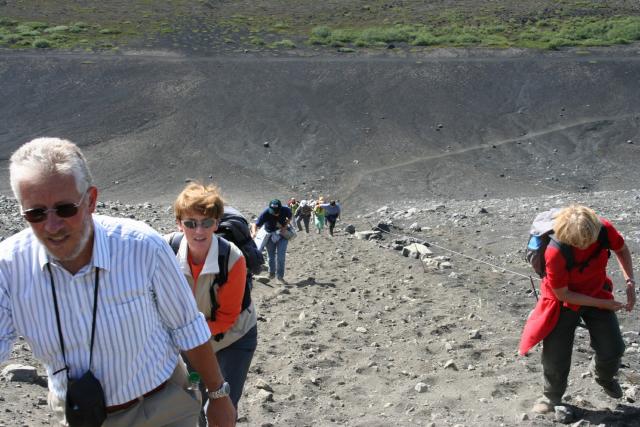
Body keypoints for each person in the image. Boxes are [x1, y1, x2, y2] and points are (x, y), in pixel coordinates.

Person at [0, 138, 236, 426]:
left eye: (65, 209)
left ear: (91, 201)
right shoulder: (8, 268)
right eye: (35, 213)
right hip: (83, 416)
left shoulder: (140, 246)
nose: (52, 226)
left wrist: (219, 397)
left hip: (162, 408)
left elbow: (186, 326)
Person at [519, 205, 636, 414]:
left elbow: (621, 249)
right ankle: (551, 396)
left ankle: (603, 376)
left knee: (614, 348)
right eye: (577, 243)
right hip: (561, 301)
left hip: (597, 291)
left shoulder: (603, 229)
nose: (583, 247)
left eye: (587, 243)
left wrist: (630, 282)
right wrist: (603, 304)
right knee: (556, 353)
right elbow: (563, 293)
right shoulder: (555, 251)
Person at [165, 183, 257, 425]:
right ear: (179, 223)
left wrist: (184, 336)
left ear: (216, 223)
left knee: (222, 404)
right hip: (188, 337)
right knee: (191, 403)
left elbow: (227, 317)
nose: (199, 230)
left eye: (206, 223)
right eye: (190, 223)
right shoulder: (165, 250)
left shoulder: (232, 258)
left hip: (234, 338)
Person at [250, 199, 292, 284]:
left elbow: (290, 216)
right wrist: (254, 233)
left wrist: (285, 226)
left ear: (280, 208)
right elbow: (255, 224)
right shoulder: (266, 212)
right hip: (269, 235)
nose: (275, 213)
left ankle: (280, 277)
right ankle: (271, 273)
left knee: (281, 257)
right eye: (273, 211)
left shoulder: (286, 209)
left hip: (282, 235)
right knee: (271, 256)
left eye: (277, 211)